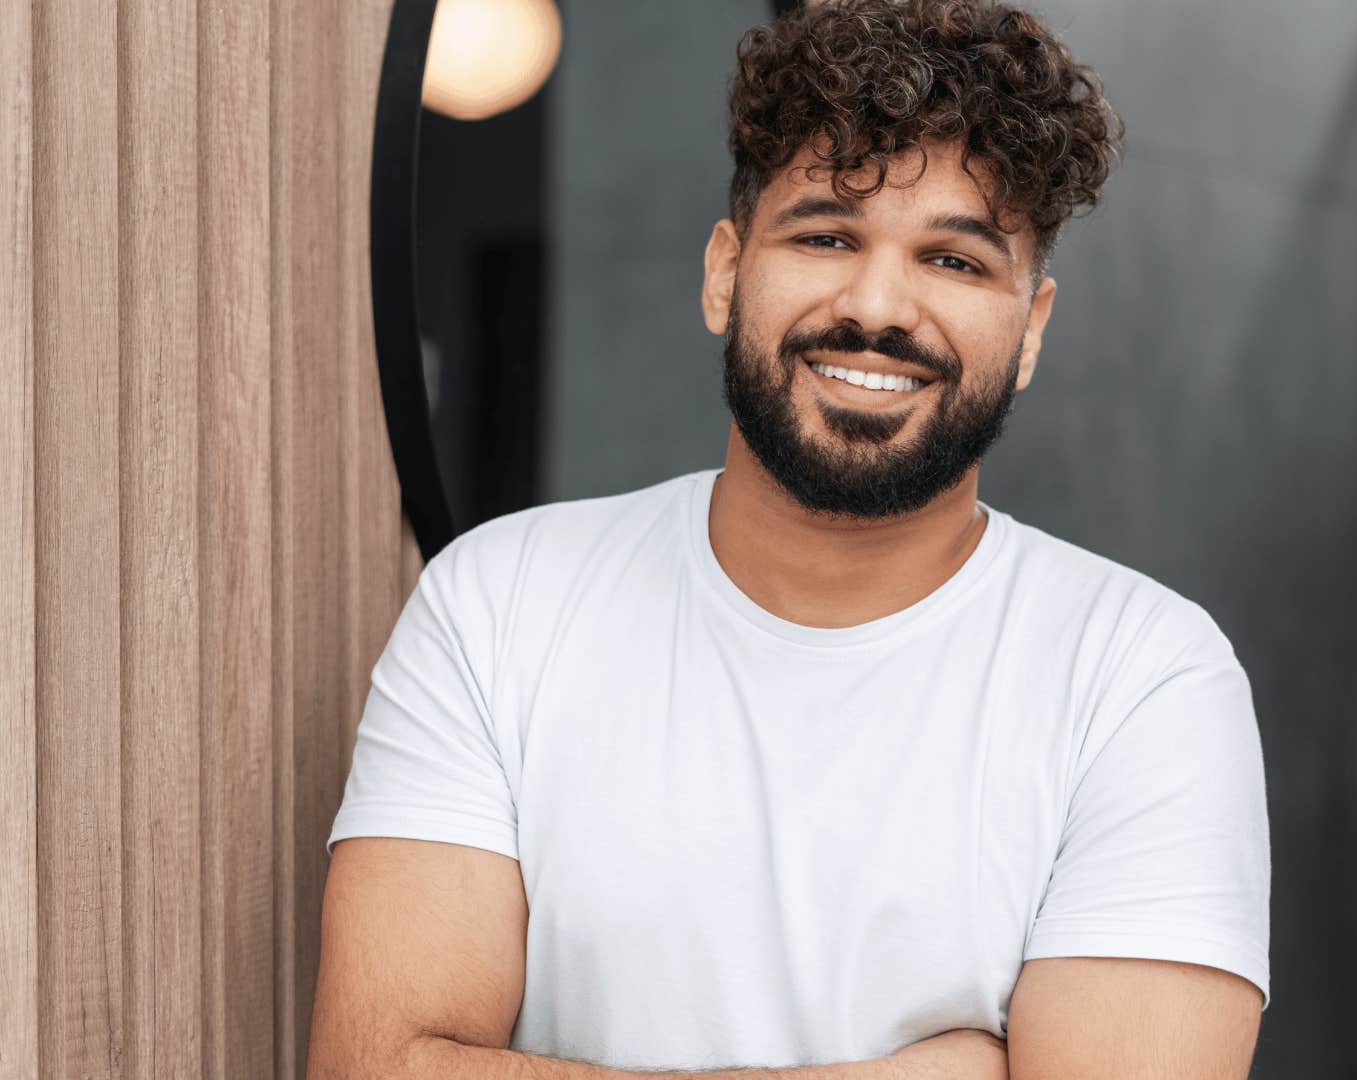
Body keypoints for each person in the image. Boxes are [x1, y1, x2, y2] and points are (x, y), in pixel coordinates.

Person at [308, 1, 1270, 1077]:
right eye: (826, 236)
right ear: (726, 272)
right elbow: (373, 1067)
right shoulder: (498, 607)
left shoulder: (1141, 679)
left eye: (955, 261)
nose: (878, 306)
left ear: (1031, 327)